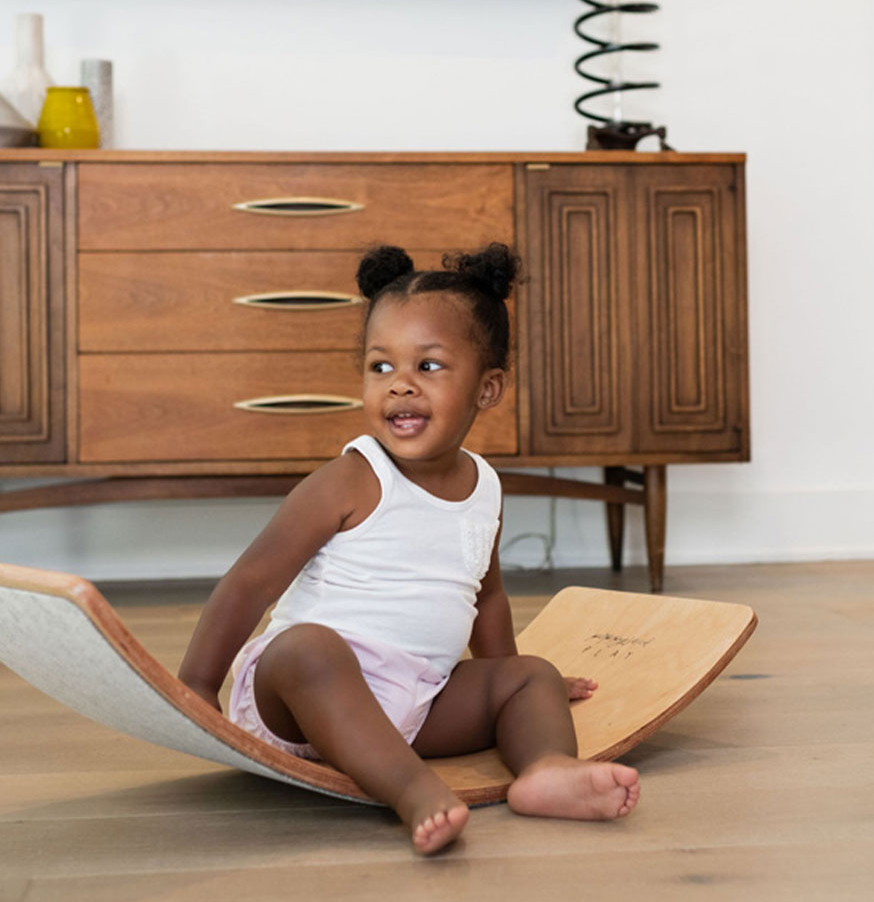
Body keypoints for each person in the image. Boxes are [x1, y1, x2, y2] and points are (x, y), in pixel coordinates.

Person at [179, 242, 640, 854]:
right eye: (381, 367)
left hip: (415, 705)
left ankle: (546, 770)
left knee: (533, 675)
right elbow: (250, 584)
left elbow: (488, 595)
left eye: (428, 367)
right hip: (299, 701)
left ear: (487, 388)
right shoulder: (351, 477)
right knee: (306, 648)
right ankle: (413, 791)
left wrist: (510, 680)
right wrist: (196, 687)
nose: (399, 386)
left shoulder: (486, 488)